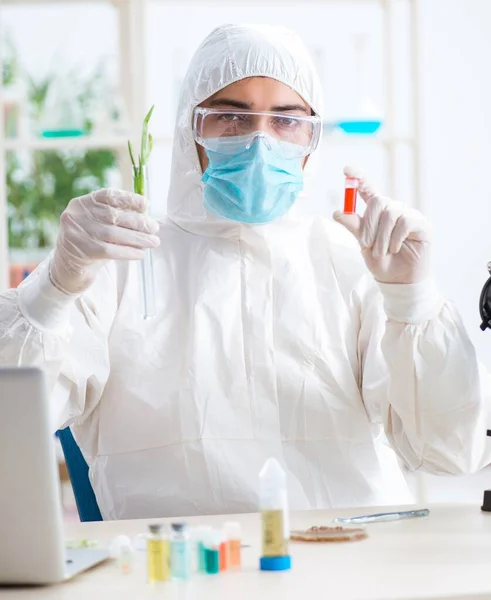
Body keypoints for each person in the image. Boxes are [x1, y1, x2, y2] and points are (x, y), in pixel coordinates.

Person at [0, 24, 490, 520]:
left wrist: (412, 298)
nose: (259, 142)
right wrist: (54, 290)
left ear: (312, 139)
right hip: (177, 573)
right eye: (231, 117)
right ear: (191, 127)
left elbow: (449, 452)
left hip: (352, 561)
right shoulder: (120, 262)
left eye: (286, 120)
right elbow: (11, 427)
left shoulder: (350, 261)